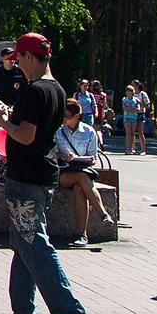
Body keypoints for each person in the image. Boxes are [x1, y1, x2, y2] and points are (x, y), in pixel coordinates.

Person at [0, 32, 90, 314]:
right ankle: (23, 311)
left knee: (34, 243)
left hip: (27, 177)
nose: (19, 68)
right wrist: (7, 115)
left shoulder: (35, 91)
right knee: (23, 241)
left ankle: (70, 311)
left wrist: (1, 118)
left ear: (31, 57)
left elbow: (25, 135)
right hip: (43, 175)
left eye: (21, 60)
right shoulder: (57, 89)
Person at [54, 98, 113, 244]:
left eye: (66, 117)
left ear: (77, 116)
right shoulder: (58, 131)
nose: (63, 120)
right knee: (82, 178)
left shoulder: (89, 132)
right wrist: (65, 157)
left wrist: (79, 159)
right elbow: (52, 153)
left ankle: (82, 235)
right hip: (63, 172)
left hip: (82, 170)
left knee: (80, 187)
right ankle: (103, 214)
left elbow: (93, 158)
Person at [120, 81, 141, 155]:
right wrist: (132, 109)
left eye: (130, 91)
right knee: (128, 133)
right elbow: (125, 108)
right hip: (127, 117)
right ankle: (127, 148)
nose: (129, 93)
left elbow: (138, 109)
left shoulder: (136, 100)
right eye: (128, 91)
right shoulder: (124, 99)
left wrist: (130, 109)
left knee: (133, 134)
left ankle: (132, 148)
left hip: (134, 118)